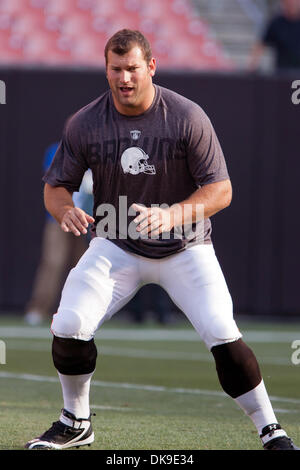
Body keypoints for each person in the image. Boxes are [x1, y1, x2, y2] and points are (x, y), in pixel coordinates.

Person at [25, 29, 298, 450]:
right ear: (107, 70)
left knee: (222, 331)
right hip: (115, 243)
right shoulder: (86, 122)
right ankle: (75, 420)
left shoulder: (187, 116)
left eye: (132, 68)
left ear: (150, 66)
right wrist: (64, 209)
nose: (124, 78)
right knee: (69, 324)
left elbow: (221, 190)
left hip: (185, 246)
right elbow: (55, 185)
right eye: (115, 69)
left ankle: (271, 429)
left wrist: (174, 213)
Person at [24, 143, 93, 325]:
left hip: (87, 217)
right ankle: (38, 308)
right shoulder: (55, 151)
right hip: (59, 217)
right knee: (53, 262)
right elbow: (54, 180)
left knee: (85, 265)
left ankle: (82, 311)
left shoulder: (97, 149)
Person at [249, 0, 300, 71]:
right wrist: (253, 65)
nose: (292, 4)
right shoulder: (276, 23)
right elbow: (261, 44)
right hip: (282, 72)